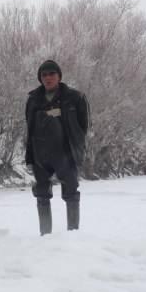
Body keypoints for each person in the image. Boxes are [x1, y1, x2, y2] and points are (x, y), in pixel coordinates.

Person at [25, 60, 90, 235]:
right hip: (40, 153)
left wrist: (77, 148)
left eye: (51, 74)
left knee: (71, 192)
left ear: (59, 76)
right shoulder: (33, 100)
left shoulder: (75, 97)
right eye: (44, 75)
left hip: (66, 152)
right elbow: (29, 128)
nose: (48, 78)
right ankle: (45, 235)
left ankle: (73, 234)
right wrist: (30, 155)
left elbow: (83, 127)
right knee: (41, 193)